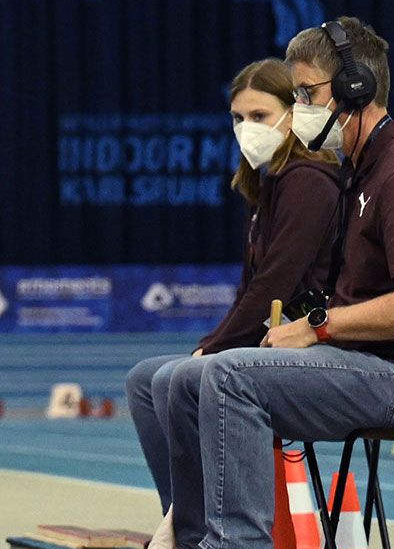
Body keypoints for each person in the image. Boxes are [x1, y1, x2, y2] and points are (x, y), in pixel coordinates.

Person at [147, 19, 394, 549]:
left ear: (354, 88)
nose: (299, 108)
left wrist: (316, 327)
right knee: (180, 381)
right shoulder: (358, 172)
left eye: (306, 93)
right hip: (369, 365)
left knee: (230, 376)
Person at [125, 62, 346, 518]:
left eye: (260, 116)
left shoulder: (308, 181)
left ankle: (204, 535)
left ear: (294, 114)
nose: (247, 129)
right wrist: (212, 345)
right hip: (275, 340)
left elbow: (275, 284)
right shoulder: (270, 185)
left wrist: (214, 349)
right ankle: (184, 529)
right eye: (238, 118)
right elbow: (251, 288)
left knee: (172, 379)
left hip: (316, 342)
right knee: (147, 379)